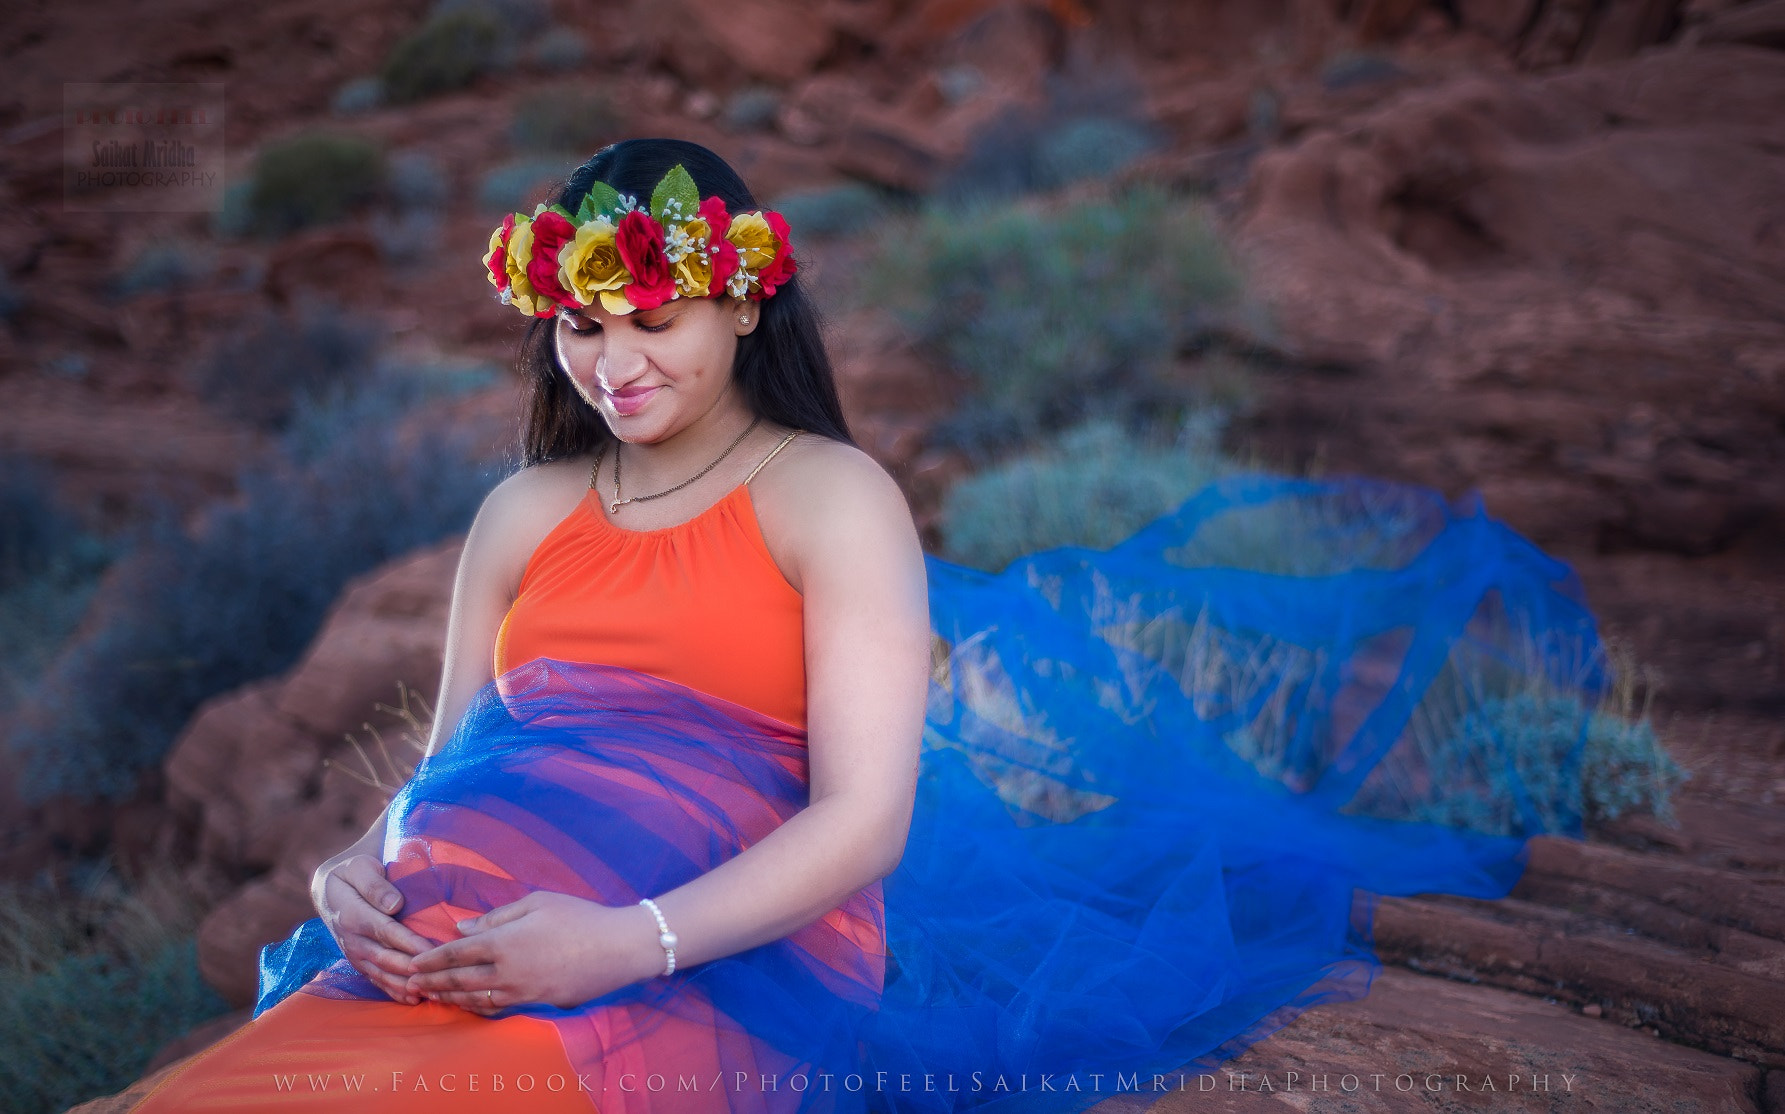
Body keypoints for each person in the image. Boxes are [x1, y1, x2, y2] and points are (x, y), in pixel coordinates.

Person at [115, 137, 1610, 1114]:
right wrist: (353, 862)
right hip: (445, 941)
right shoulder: (525, 509)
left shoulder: (828, 496)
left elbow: (865, 819)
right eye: (582, 323)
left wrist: (619, 943)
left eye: (656, 316)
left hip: (698, 964)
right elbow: (447, 757)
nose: (614, 360)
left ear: (743, 308)